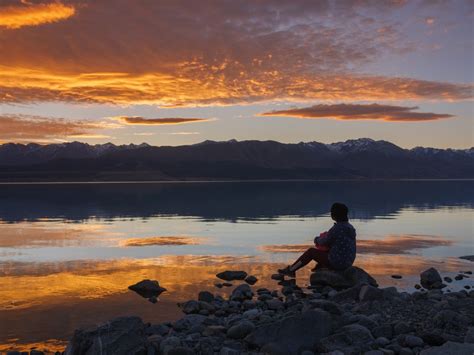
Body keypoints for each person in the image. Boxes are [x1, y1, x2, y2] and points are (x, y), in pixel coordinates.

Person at [278, 202, 356, 277]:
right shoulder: (350, 227)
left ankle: (291, 270)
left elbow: (323, 242)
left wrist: (316, 239)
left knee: (311, 252)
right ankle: (321, 267)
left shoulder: (337, 228)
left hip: (337, 263)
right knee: (328, 249)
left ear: (334, 215)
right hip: (348, 262)